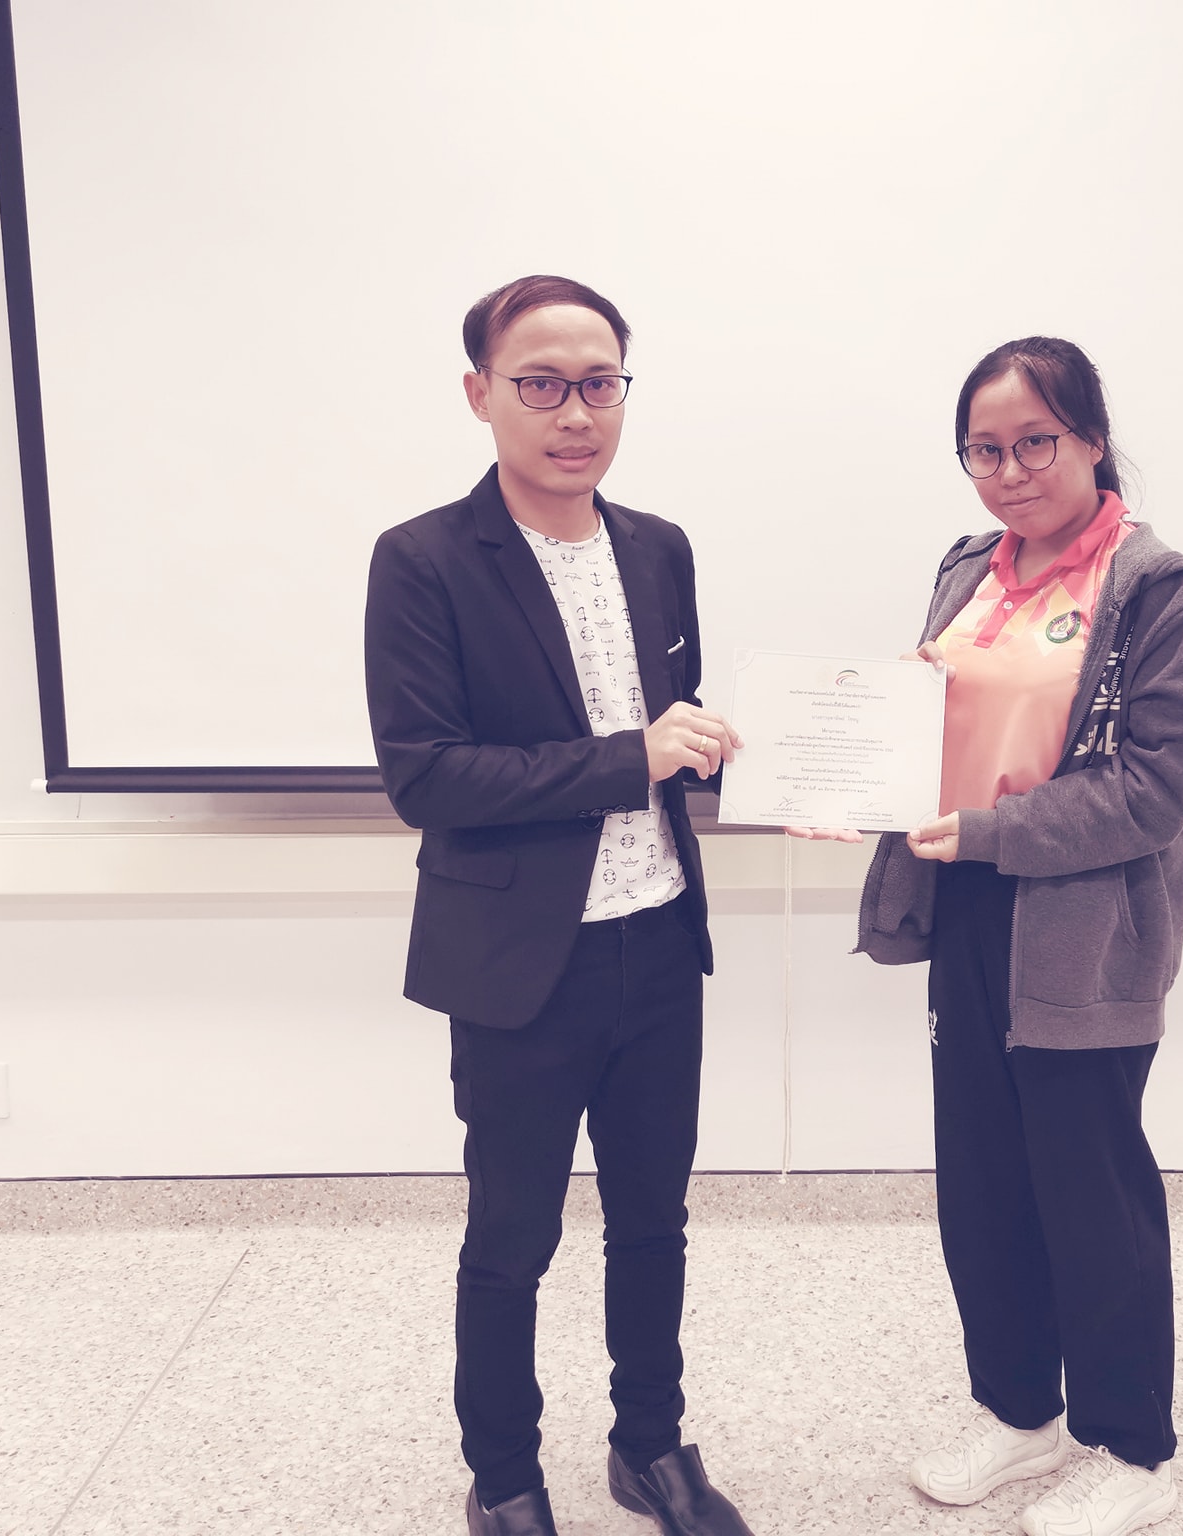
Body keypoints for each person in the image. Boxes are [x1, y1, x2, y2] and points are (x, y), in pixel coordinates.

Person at [796, 336, 1183, 1536]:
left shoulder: (1153, 589)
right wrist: (852, 770)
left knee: (1088, 1187)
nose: (1009, 471)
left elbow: (1154, 789)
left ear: (1091, 438)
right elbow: (933, 724)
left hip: (1080, 924)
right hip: (968, 905)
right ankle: (1020, 1409)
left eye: (1035, 441)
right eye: (982, 450)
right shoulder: (968, 569)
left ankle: (1133, 1451)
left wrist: (988, 832)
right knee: (982, 1179)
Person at [365, 274, 756, 1536]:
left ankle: (650, 1447)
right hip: (519, 963)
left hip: (657, 940)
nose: (573, 412)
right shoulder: (423, 559)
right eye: (539, 384)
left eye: (598, 383)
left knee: (653, 1222)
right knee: (511, 1236)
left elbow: (667, 741)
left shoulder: (658, 547)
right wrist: (629, 757)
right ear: (479, 394)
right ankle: (504, 1477)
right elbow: (427, 777)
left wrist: (746, 760)